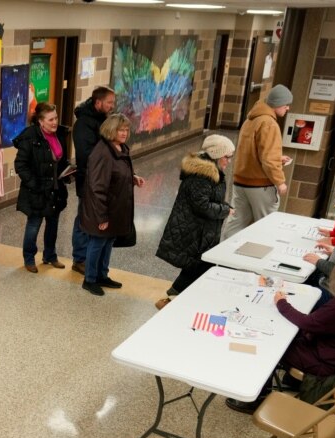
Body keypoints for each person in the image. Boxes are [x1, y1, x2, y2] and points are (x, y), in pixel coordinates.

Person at [226, 240, 335, 413]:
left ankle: (257, 398)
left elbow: (309, 323)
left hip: (327, 361)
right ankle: (286, 381)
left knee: (272, 343)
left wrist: (282, 303)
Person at [155, 135, 236, 308]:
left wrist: (225, 206)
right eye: (226, 157)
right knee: (199, 265)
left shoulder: (212, 170)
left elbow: (211, 198)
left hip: (201, 230)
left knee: (198, 265)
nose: (228, 161)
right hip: (193, 229)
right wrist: (225, 210)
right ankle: (173, 300)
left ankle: (174, 298)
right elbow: (202, 205)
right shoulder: (202, 174)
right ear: (216, 154)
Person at [79, 114, 145, 296]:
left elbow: (116, 174)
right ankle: (89, 279)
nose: (124, 133)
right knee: (97, 242)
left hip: (115, 208)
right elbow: (97, 188)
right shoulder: (102, 152)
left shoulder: (120, 148)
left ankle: (102, 275)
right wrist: (101, 216)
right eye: (120, 130)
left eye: (126, 130)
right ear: (111, 130)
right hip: (102, 209)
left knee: (108, 241)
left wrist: (132, 178)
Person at [220, 84, 293, 240]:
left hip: (241, 182)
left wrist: (278, 158)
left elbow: (250, 152)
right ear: (277, 103)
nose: (288, 108)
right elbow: (268, 159)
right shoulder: (269, 124)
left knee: (236, 222)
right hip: (260, 185)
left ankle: (222, 256)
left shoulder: (250, 120)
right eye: (286, 105)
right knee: (265, 226)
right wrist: (280, 181)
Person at [14, 102, 71, 273]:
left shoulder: (60, 134)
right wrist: (34, 184)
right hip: (36, 190)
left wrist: (68, 171)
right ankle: (29, 258)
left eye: (56, 118)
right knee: (34, 225)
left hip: (55, 188)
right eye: (50, 119)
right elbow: (20, 165)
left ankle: (50, 255)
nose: (55, 122)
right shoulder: (29, 137)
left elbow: (61, 160)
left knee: (53, 224)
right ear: (40, 121)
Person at [71, 87, 117, 274]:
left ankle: (91, 258)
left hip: (103, 179)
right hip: (89, 179)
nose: (112, 106)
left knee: (96, 218)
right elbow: (86, 155)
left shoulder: (103, 120)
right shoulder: (84, 124)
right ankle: (80, 259)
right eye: (109, 103)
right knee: (84, 219)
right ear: (98, 102)